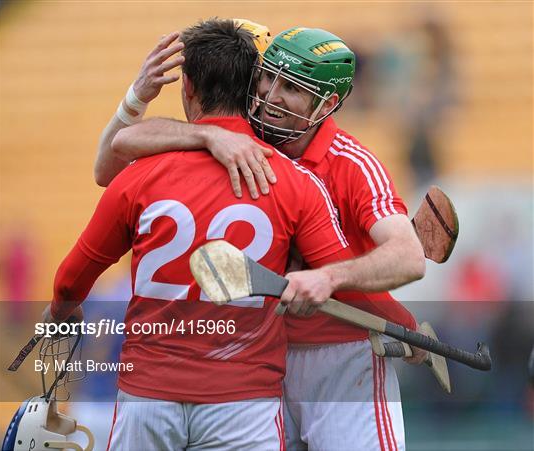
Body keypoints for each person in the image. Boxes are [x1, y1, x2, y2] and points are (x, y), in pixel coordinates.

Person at [95, 26, 426, 451]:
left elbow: (408, 257)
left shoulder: (353, 164)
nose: (270, 96)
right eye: (267, 78)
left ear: (325, 104)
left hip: (342, 361)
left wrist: (332, 279)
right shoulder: (239, 134)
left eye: (292, 88)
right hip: (263, 362)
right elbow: (111, 163)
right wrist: (199, 130)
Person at [45, 19, 361, 451]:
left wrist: (62, 310)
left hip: (148, 399)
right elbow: (344, 278)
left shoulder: (140, 174)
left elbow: (71, 277)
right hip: (243, 403)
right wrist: (403, 324)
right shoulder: (294, 182)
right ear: (254, 88)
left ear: (186, 87)